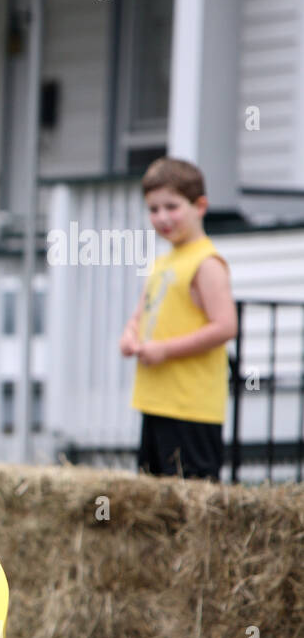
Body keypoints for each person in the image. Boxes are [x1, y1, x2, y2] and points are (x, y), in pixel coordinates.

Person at [119, 157, 237, 481]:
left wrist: (165, 350)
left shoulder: (207, 262)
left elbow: (226, 326)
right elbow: (140, 316)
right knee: (154, 505)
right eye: (153, 209)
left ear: (199, 205)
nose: (162, 217)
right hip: (155, 402)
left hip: (191, 408)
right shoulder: (162, 263)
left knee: (192, 502)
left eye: (171, 206)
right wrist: (130, 335)